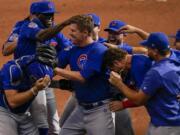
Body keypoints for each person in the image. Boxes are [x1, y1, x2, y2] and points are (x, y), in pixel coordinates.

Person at [109, 32, 180, 135]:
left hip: (166, 124)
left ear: (155, 51)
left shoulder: (156, 72)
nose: (146, 51)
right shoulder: (175, 55)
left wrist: (119, 83)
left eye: (148, 49)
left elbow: (139, 100)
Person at [55, 14, 114, 135]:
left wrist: (56, 70)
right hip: (81, 109)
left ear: (85, 32)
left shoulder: (98, 50)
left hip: (100, 111)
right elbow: (54, 66)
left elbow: (82, 77)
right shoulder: (72, 49)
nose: (70, 33)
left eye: (73, 31)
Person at [0, 45, 56, 135]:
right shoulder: (13, 70)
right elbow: (12, 102)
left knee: (42, 122)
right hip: (4, 112)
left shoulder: (46, 68)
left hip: (23, 113)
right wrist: (35, 89)